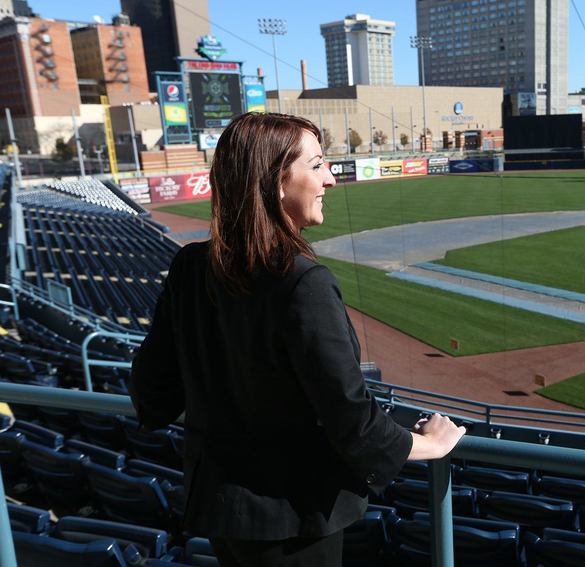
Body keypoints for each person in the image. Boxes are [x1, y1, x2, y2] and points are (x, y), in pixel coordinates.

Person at [129, 112, 465, 567]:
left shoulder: (189, 265)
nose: (330, 178)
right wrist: (430, 444)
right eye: (317, 165)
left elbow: (153, 392)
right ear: (275, 183)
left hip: (222, 509)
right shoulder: (302, 282)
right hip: (295, 519)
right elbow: (350, 415)